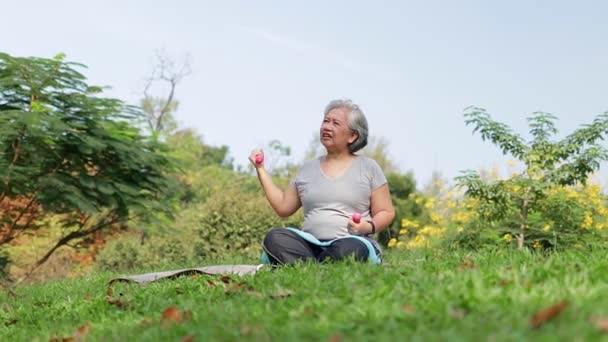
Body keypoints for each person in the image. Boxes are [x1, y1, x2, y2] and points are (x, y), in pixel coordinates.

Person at [249, 99, 395, 265]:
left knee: (348, 249)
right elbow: (283, 207)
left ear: (353, 136)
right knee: (275, 237)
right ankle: (318, 265)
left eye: (336, 123)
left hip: (351, 241)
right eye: (326, 121)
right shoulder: (306, 169)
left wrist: (367, 227)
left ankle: (309, 265)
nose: (327, 127)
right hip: (310, 245)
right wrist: (260, 169)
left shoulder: (368, 167)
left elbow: (386, 212)